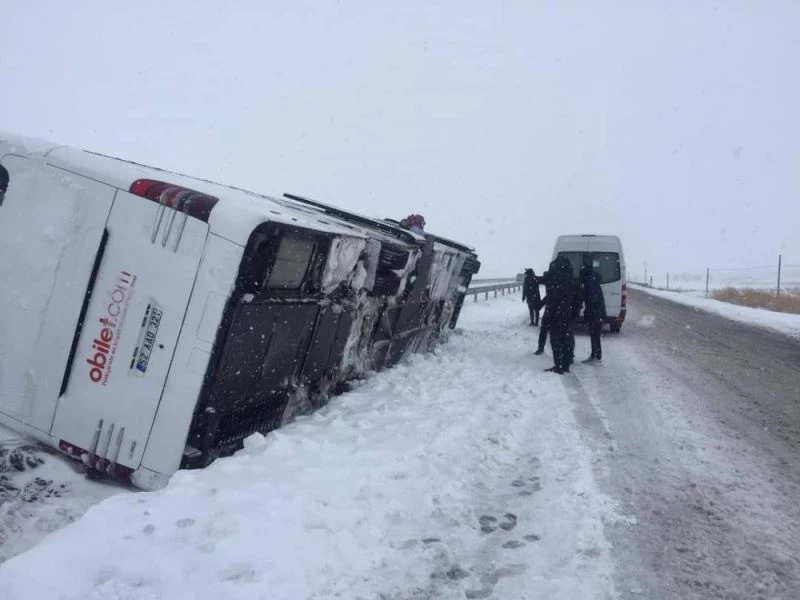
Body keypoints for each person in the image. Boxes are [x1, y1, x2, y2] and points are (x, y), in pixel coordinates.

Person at [543, 256, 576, 374]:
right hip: (568, 313)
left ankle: (559, 366)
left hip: (556, 313)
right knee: (567, 339)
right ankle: (566, 364)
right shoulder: (571, 278)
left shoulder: (554, 278)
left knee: (556, 340)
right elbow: (576, 296)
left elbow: (551, 296)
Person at [580, 263, 606, 362]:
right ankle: (596, 355)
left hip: (595, 314)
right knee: (595, 335)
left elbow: (591, 300)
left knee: (594, 334)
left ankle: (595, 356)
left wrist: (588, 312)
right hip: (598, 313)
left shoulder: (589, 283)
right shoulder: (594, 281)